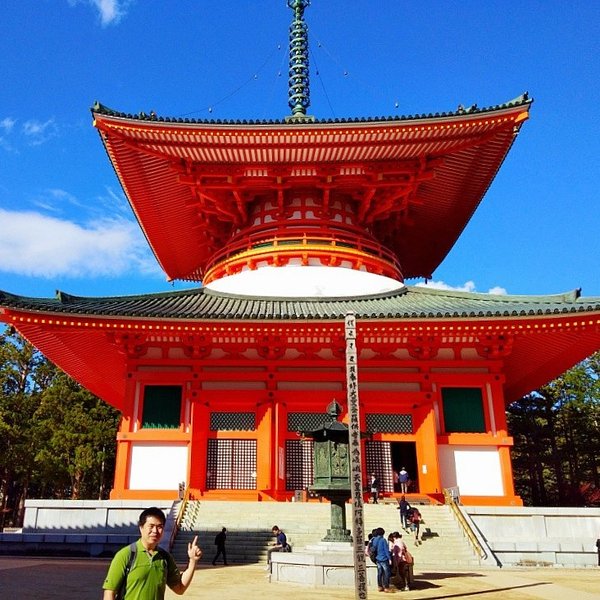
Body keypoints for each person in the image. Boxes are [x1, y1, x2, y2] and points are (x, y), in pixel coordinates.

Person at [102, 506, 202, 599]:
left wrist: (193, 561)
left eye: (159, 527)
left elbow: (180, 588)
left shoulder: (165, 558)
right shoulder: (126, 555)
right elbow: (109, 593)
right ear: (141, 528)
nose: (155, 531)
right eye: (151, 526)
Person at [372, 527, 391, 593]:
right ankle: (386, 587)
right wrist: (389, 558)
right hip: (383, 558)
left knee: (379, 573)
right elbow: (386, 550)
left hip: (377, 559)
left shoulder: (374, 540)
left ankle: (380, 586)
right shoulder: (383, 540)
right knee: (387, 573)